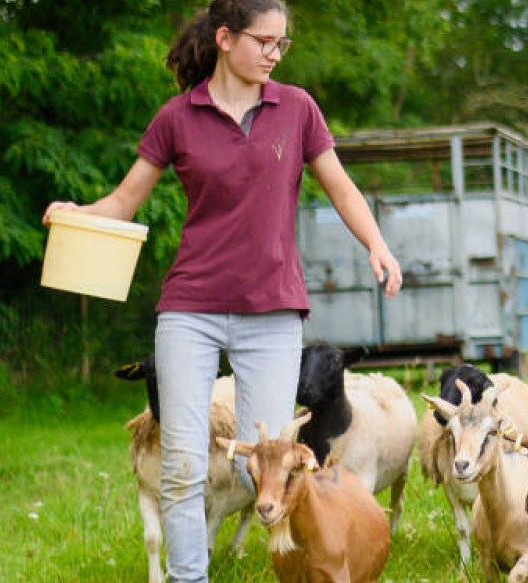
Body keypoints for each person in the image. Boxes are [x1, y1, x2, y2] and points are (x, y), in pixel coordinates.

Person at [41, 1, 400, 580]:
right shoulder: (177, 118)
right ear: (226, 38)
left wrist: (376, 244)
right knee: (182, 464)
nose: (275, 54)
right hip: (190, 309)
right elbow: (123, 201)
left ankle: (322, 556)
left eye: (282, 45)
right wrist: (76, 212)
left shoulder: (297, 109)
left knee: (261, 465)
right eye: (265, 41)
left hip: (274, 311)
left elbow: (341, 187)